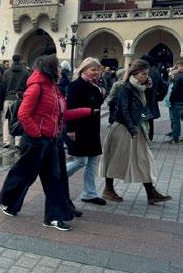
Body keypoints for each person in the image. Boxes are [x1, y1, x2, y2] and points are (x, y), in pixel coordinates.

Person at [0, 55, 92, 231]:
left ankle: (54, 217)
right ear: (50, 68)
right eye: (58, 66)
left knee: (54, 178)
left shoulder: (53, 88)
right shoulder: (37, 87)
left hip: (51, 140)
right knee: (25, 174)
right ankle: (6, 200)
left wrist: (86, 111)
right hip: (36, 140)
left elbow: (59, 114)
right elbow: (23, 114)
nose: (61, 69)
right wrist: (37, 133)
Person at [100, 60, 172, 205]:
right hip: (124, 128)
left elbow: (149, 104)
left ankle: (151, 192)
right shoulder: (126, 87)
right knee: (116, 159)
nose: (146, 76)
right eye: (143, 74)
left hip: (137, 128)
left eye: (147, 74)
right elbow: (124, 110)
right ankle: (108, 189)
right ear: (134, 73)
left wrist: (150, 88)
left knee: (144, 160)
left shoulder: (141, 88)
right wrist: (132, 129)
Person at [64, 58, 106, 205]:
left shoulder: (94, 86)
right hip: (79, 128)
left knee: (92, 161)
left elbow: (96, 104)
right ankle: (58, 176)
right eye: (93, 69)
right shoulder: (76, 85)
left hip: (92, 128)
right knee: (81, 161)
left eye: (98, 69)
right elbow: (70, 108)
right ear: (84, 69)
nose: (96, 72)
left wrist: (101, 92)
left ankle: (89, 193)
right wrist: (70, 129)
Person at [2, 55, 30, 148]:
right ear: (20, 60)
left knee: (7, 119)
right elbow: (28, 86)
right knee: (19, 119)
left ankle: (7, 141)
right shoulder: (25, 72)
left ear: (12, 60)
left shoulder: (6, 72)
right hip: (20, 98)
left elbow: (3, 85)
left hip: (8, 97)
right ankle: (18, 141)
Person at [167, 60, 183, 144]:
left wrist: (171, 99)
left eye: (178, 66)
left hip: (177, 102)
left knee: (176, 120)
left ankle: (175, 138)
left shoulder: (177, 77)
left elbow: (174, 90)